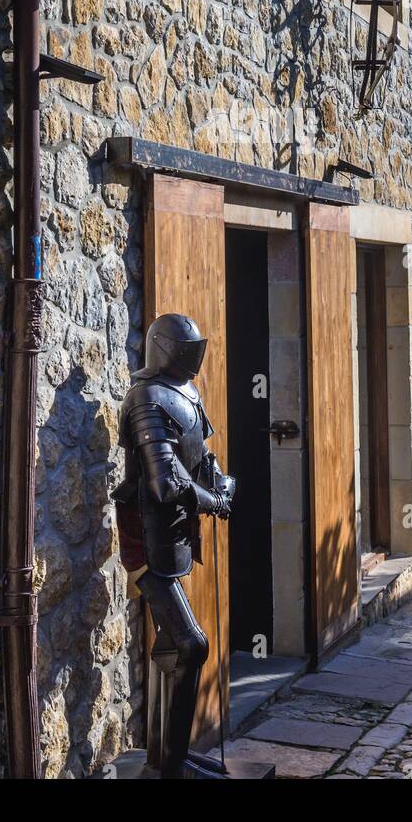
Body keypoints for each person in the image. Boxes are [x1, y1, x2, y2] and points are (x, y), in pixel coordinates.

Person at [114, 313, 235, 779]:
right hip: (147, 539)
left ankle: (167, 758)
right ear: (166, 350)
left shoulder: (185, 393)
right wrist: (216, 503)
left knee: (171, 647)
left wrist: (223, 483)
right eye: (185, 349)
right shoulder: (145, 397)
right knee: (192, 646)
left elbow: (201, 457)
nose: (193, 356)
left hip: (174, 537)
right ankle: (170, 766)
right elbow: (166, 482)